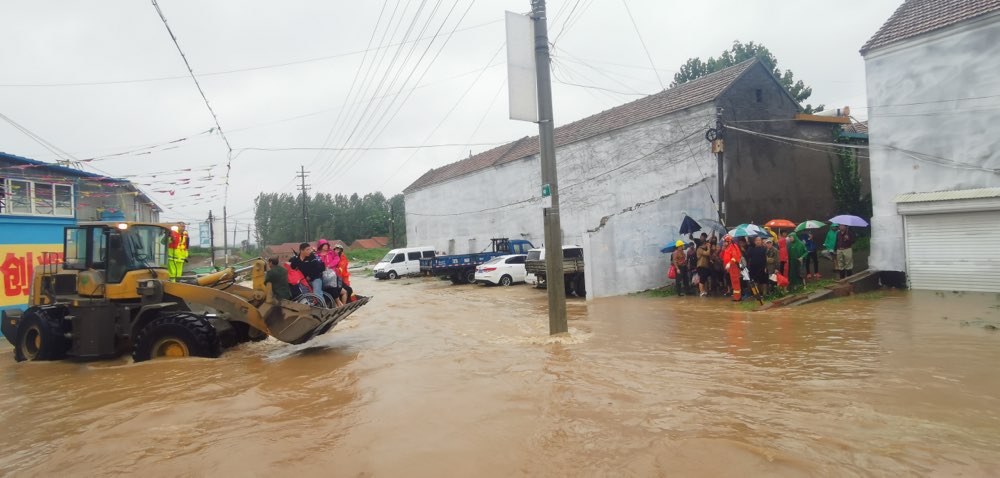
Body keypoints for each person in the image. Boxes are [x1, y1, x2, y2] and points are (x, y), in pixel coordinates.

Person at [722, 235, 742, 301]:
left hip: (734, 267)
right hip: (730, 268)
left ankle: (737, 298)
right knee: (733, 283)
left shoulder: (733, 246)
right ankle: (736, 297)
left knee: (735, 282)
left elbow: (735, 257)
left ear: (728, 241)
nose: (724, 243)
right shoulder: (728, 247)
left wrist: (729, 263)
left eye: (725, 241)